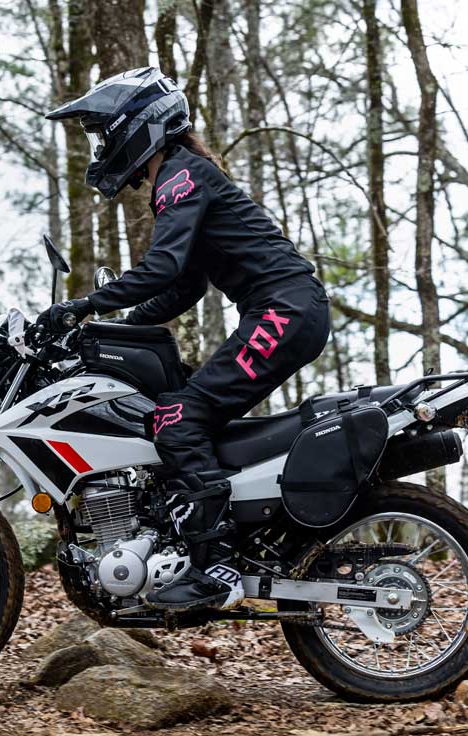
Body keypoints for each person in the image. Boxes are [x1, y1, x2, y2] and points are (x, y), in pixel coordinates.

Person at [38, 66, 331, 611]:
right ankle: (219, 536)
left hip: (285, 309)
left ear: (137, 124)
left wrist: (82, 307)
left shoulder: (180, 176)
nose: (104, 146)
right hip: (287, 309)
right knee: (178, 412)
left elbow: (162, 267)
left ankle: (215, 565)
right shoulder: (183, 176)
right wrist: (119, 326)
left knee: (179, 419)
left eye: (106, 132)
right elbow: (185, 285)